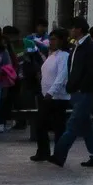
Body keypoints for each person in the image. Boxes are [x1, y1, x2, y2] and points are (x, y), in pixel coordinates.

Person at [50, 17, 93, 168]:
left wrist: (80, 86)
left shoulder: (90, 47)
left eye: (72, 28)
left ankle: (59, 154)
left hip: (85, 92)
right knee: (86, 126)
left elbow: (90, 72)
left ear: (79, 29)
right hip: (76, 91)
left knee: (73, 124)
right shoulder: (76, 46)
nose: (70, 31)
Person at [31, 29, 71, 161]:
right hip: (47, 96)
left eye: (54, 39)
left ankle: (58, 153)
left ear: (61, 40)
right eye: (51, 39)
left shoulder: (64, 56)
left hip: (57, 97)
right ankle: (44, 151)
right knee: (41, 124)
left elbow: (61, 76)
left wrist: (51, 92)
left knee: (57, 126)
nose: (51, 42)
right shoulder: (51, 55)